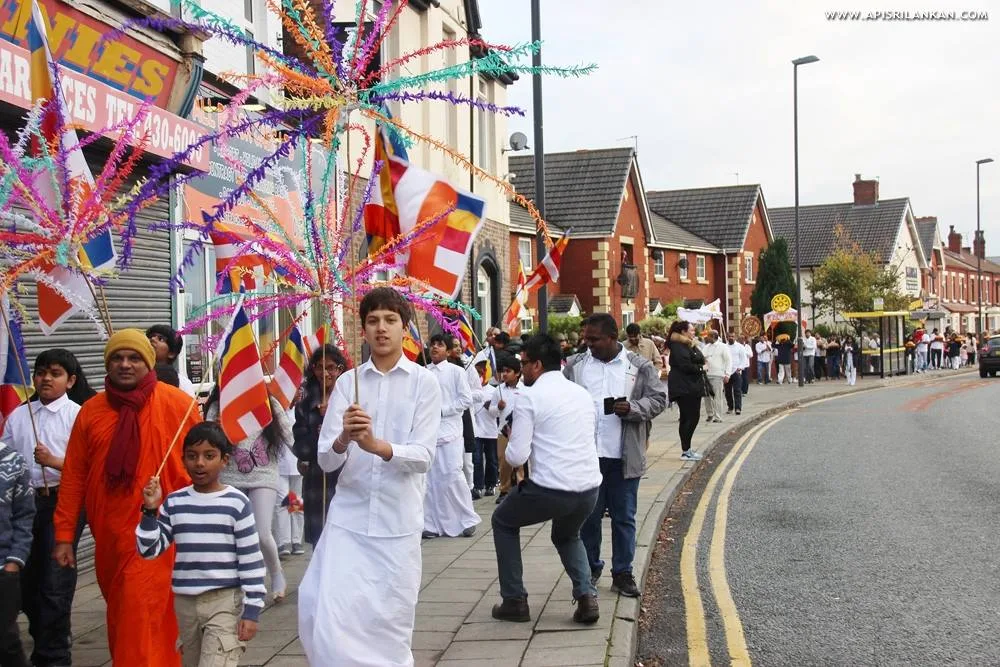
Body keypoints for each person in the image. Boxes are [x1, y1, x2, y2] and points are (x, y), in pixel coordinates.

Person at [298, 287, 442, 666]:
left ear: (405, 328)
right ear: (363, 330)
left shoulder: (423, 383)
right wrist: (345, 437)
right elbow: (326, 461)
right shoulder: (348, 383)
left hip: (397, 521)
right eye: (373, 321)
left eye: (390, 320)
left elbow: (424, 456)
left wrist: (377, 445)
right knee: (322, 608)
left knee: (388, 621)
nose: (382, 329)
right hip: (349, 518)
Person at [53, 329, 201, 666]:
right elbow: (74, 476)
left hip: (164, 530)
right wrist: (63, 535)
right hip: (111, 534)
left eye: (134, 358)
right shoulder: (90, 412)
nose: (125, 364)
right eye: (117, 358)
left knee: (144, 608)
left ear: (148, 363)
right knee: (124, 611)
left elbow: (201, 465)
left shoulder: (177, 404)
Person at [491, 334, 602, 625]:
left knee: (503, 521)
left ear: (537, 365)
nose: (522, 369)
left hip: (550, 488)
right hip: (589, 487)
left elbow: (515, 457)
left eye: (524, 363)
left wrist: (513, 435)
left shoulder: (530, 396)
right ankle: (587, 597)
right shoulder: (581, 393)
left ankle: (514, 599)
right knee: (567, 535)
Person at [137, 422, 266, 667]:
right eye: (192, 456)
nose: (200, 463)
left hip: (224, 601)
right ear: (183, 459)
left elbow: (251, 559)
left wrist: (252, 609)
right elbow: (148, 550)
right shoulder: (174, 502)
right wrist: (150, 511)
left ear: (224, 460)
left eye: (209, 456)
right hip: (185, 604)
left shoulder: (236, 503)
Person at [565, 315, 666, 598]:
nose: (588, 344)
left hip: (624, 456)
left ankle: (622, 573)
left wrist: (632, 408)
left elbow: (660, 399)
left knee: (624, 518)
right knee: (588, 518)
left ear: (612, 337)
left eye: (594, 339)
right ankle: (590, 569)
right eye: (586, 338)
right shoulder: (575, 367)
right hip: (586, 457)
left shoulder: (638, 367)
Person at [2, 350, 85, 667]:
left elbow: (86, 467)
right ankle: (41, 640)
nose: (46, 379)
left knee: (54, 581)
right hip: (24, 505)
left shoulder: (77, 415)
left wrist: (53, 462)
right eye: (41, 372)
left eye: (55, 373)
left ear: (70, 380)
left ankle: (54, 655)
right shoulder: (20, 416)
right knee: (27, 580)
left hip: (62, 501)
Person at [204, 388, 292, 601]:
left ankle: (276, 573)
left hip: (263, 474)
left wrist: (311, 455)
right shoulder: (218, 404)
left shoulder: (269, 402)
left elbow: (289, 435)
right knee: (235, 537)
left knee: (262, 533)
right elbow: (206, 439)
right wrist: (215, 429)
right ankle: (250, 583)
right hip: (229, 476)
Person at [423, 334, 479, 538]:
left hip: (450, 431)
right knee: (429, 479)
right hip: (428, 432)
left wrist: (443, 410)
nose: (435, 348)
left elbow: (465, 399)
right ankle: (429, 524)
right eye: (433, 344)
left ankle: (466, 518)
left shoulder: (456, 372)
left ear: (448, 351)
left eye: (440, 345)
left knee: (452, 476)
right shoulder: (423, 372)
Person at [293, 344, 347, 548]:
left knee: (343, 537)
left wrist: (333, 420)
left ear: (340, 369)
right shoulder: (306, 402)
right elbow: (299, 443)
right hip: (317, 476)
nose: (325, 373)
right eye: (319, 367)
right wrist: (318, 431)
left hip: (345, 474)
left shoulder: (350, 397)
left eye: (331, 367)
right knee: (320, 537)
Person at [0, 438, 34, 667]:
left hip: (4, 568)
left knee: (6, 641)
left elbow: (24, 516)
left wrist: (15, 561)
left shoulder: (13, 461)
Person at [667, 321, 706, 461]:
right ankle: (686, 451)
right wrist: (702, 368)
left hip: (691, 386)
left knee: (689, 417)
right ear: (683, 332)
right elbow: (685, 366)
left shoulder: (687, 344)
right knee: (690, 417)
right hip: (684, 387)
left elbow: (700, 358)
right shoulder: (678, 346)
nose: (693, 332)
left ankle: (687, 449)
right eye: (691, 330)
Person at [274, 392, 304, 557]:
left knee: (296, 501)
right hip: (279, 463)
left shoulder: (300, 411)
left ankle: (296, 539)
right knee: (282, 501)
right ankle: (282, 542)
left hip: (297, 463)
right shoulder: (276, 411)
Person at [492, 355, 524, 504]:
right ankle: (504, 490)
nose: (504, 374)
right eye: (503, 371)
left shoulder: (525, 389)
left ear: (517, 373)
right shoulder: (498, 390)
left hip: (520, 431)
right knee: (503, 461)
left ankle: (521, 487)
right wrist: (497, 407)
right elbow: (491, 412)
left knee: (521, 460)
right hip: (503, 431)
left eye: (508, 371)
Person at [470, 344, 499, 499]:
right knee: (477, 460)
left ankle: (491, 484)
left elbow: (498, 412)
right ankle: (478, 486)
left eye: (482, 370)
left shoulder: (494, 391)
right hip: (476, 431)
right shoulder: (472, 390)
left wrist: (494, 407)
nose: (480, 373)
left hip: (490, 431)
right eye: (477, 371)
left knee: (492, 460)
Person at [146, 325, 197, 396]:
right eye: (151, 336)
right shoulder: (136, 376)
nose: (152, 339)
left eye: (161, 339)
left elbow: (190, 406)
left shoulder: (183, 383)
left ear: (171, 353)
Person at [702, 330, 730, 423]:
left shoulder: (723, 346)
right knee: (707, 396)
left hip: (718, 374)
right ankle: (710, 414)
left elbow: (728, 361)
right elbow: (702, 358)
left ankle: (718, 417)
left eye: (709, 336)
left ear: (714, 336)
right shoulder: (706, 347)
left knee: (717, 396)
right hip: (706, 374)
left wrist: (727, 374)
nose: (707, 338)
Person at [726, 334, 748, 416]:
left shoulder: (740, 347)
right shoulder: (725, 347)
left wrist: (740, 368)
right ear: (727, 337)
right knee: (727, 391)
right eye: (729, 336)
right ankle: (730, 407)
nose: (731, 338)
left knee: (737, 390)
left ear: (735, 337)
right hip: (727, 372)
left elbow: (743, 359)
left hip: (736, 372)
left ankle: (738, 408)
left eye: (732, 336)